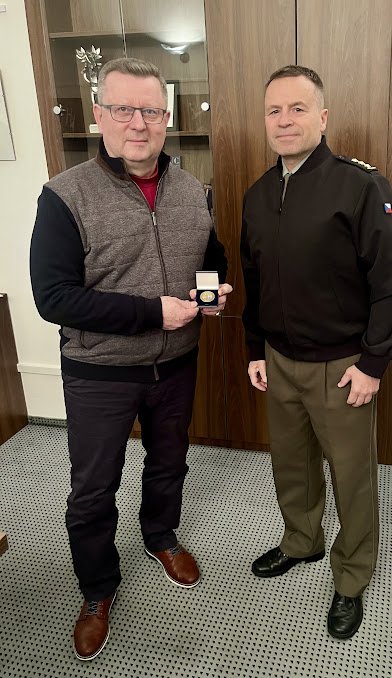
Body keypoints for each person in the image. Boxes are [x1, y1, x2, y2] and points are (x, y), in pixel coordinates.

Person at [30, 57, 231, 661]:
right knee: (93, 490)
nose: (137, 123)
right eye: (123, 109)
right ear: (99, 115)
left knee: (169, 462)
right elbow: (53, 297)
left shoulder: (193, 190)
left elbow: (211, 256)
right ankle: (97, 589)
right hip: (100, 372)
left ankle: (160, 535)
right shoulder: (64, 196)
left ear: (166, 117)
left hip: (177, 364)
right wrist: (151, 313)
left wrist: (212, 291)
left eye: (150, 110)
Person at [241, 65, 392, 639]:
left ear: (322, 116)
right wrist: (255, 348)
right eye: (274, 110)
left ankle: (352, 575)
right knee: (291, 465)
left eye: (297, 108)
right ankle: (301, 541)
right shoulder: (258, 194)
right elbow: (254, 280)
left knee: (351, 476)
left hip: (343, 366)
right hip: (279, 360)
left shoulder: (360, 186)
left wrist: (373, 363)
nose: (284, 120)